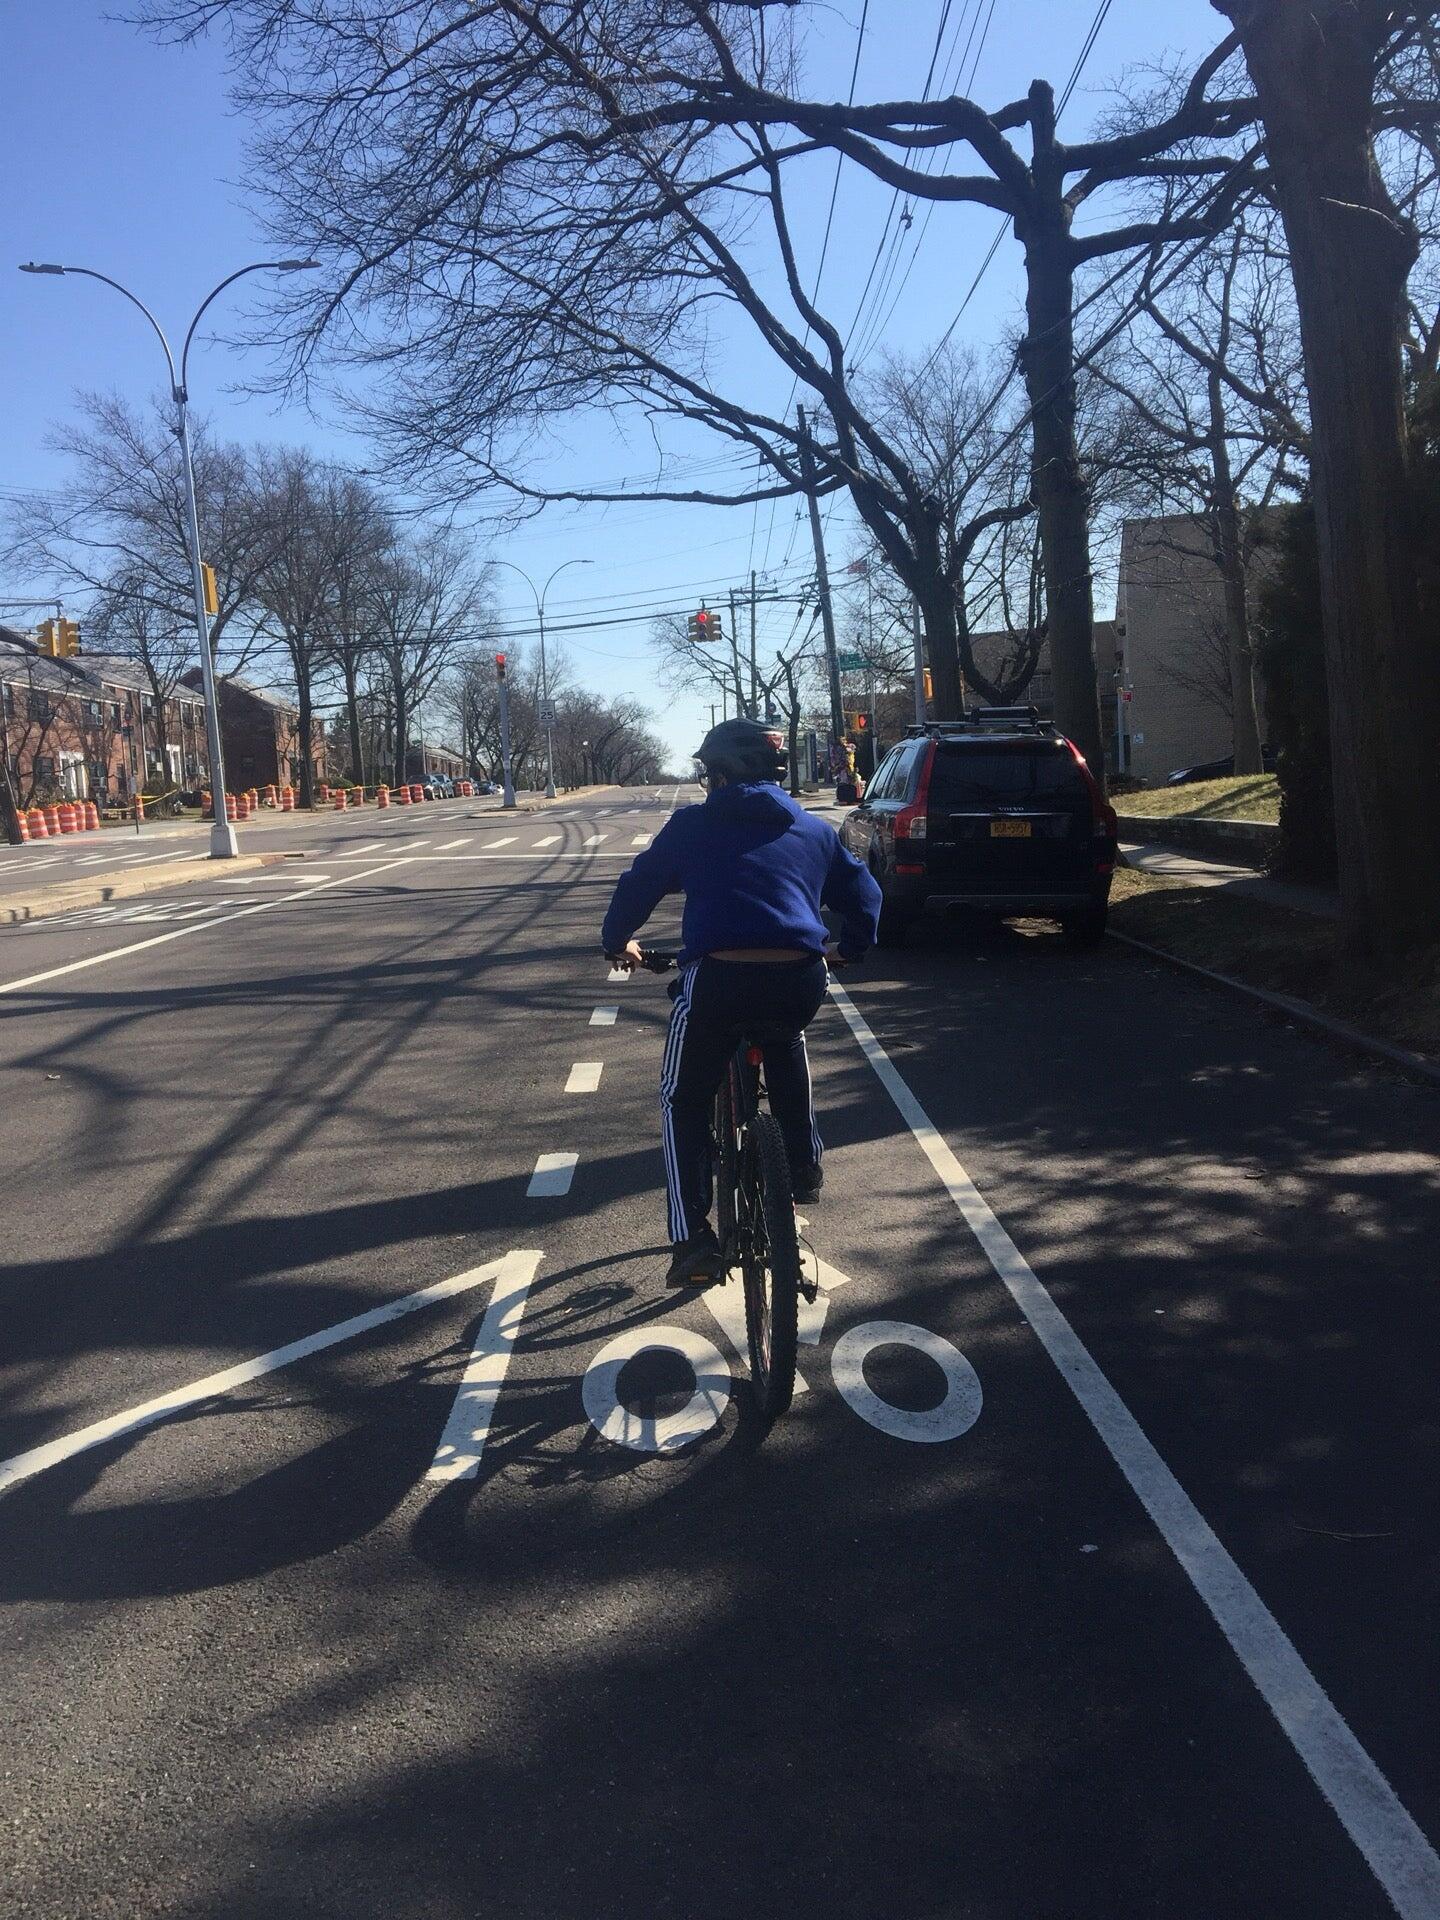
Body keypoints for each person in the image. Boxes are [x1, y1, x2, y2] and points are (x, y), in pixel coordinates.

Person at [602, 718, 882, 1287]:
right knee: (787, 1037)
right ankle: (803, 1167)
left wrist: (619, 942)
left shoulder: (691, 826)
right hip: (798, 978)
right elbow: (865, 894)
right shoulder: (813, 831)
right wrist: (850, 948)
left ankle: (691, 1239)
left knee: (681, 1098)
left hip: (719, 981)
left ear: (719, 774)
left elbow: (638, 886)